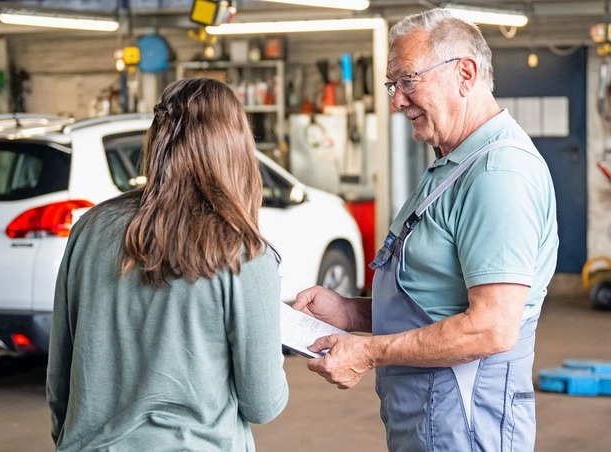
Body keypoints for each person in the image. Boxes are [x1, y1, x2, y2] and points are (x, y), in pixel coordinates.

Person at [293, 8, 558, 451]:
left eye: (408, 80)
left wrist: (368, 351)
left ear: (465, 74)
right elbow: (434, 302)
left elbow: (491, 328)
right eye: (392, 85)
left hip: (466, 421)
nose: (397, 101)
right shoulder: (452, 165)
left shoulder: (498, 175)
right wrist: (349, 313)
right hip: (428, 414)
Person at [47, 78, 289, 451]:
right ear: (236, 148)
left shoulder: (90, 228)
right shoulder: (241, 252)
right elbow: (263, 403)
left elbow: (59, 376)